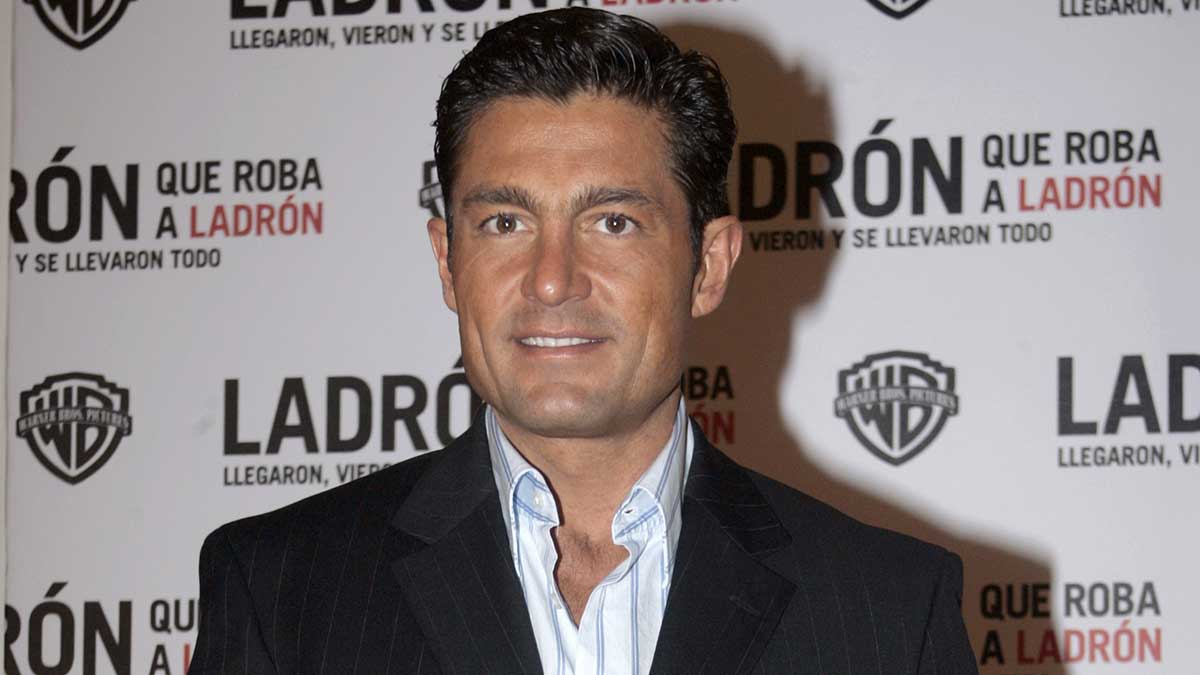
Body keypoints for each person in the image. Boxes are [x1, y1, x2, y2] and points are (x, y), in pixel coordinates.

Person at [188, 8, 978, 674]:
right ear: (447, 261)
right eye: (505, 222)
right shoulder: (280, 591)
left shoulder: (890, 612)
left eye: (613, 222)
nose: (551, 279)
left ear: (708, 265)